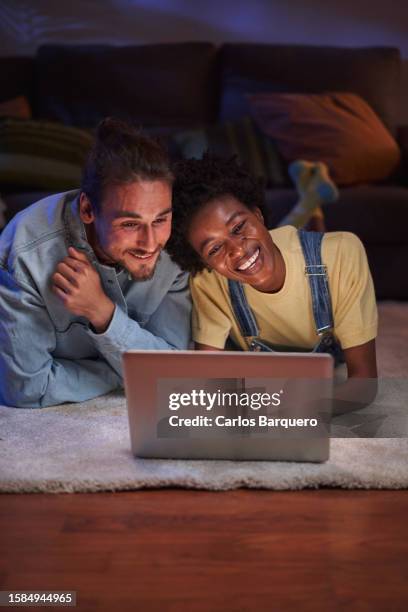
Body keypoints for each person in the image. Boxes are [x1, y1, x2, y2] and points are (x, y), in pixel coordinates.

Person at [0, 118, 191, 408]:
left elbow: (176, 372)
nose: (151, 243)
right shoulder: (25, 253)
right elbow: (27, 388)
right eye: (130, 223)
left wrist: (101, 312)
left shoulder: (175, 247)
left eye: (160, 219)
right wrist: (129, 371)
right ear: (88, 209)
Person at [167, 156, 378, 412]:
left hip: (319, 279)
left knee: (320, 258)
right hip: (281, 249)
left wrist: (291, 410)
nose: (236, 250)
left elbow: (364, 385)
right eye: (214, 248)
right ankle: (310, 198)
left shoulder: (345, 252)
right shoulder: (208, 280)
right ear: (204, 261)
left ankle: (312, 200)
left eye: (238, 227)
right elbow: (207, 377)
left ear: (257, 214)